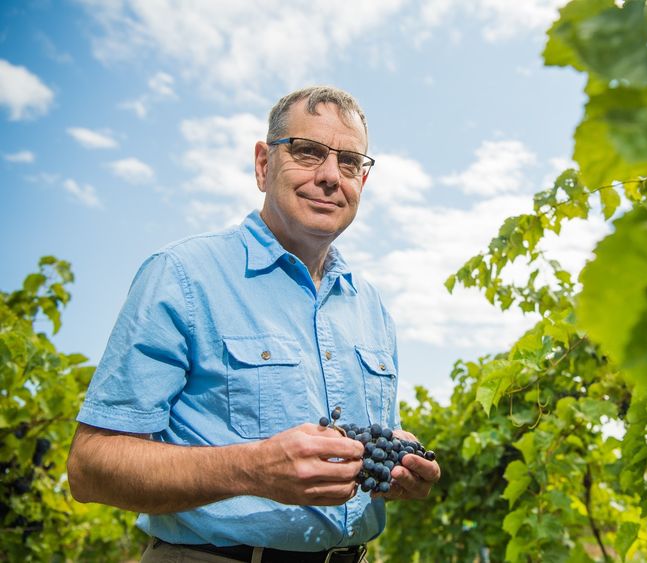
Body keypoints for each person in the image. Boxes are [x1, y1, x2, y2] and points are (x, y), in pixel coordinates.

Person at [67, 85, 440, 563]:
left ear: (362, 183)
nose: (330, 176)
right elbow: (91, 468)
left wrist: (399, 461)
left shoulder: (370, 306)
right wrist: (251, 469)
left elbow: (368, 446)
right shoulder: (182, 275)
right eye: (308, 152)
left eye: (349, 162)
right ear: (264, 164)